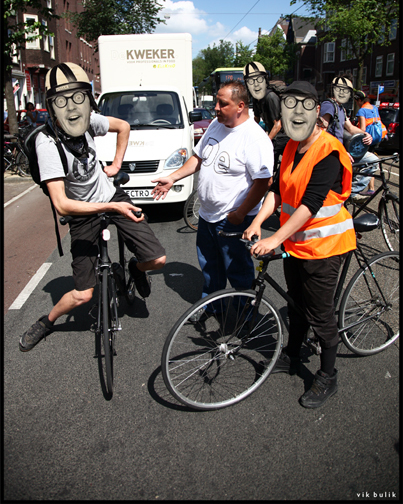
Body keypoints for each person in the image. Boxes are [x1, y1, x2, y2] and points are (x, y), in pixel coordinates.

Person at [19, 62, 166, 352]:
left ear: (87, 100)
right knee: (83, 295)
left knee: (158, 259)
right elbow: (62, 205)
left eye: (78, 98)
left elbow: (123, 127)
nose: (72, 108)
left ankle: (135, 268)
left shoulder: (88, 121)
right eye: (62, 101)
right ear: (52, 107)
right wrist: (113, 208)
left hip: (111, 195)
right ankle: (46, 322)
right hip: (81, 210)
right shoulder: (48, 145)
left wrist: (116, 164)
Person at [243, 81, 356, 409]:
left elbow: (311, 203)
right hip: (297, 243)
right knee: (295, 303)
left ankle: (328, 375)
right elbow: (277, 191)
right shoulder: (291, 146)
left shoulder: (329, 150)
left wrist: (274, 238)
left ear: (316, 111)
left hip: (325, 247)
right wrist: (257, 222)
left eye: (304, 105)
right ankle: (292, 353)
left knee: (321, 314)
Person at [151, 80, 274, 321]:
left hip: (233, 219)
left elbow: (264, 182)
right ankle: (212, 306)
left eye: (222, 103)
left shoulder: (255, 138)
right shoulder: (216, 125)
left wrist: (241, 214)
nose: (216, 108)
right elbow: (198, 158)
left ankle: (245, 317)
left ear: (240, 106)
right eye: (217, 102)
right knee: (210, 266)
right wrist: (172, 178)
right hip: (207, 216)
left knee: (238, 271)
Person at [319, 76, 378, 198]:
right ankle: (348, 195)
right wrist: (341, 152)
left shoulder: (341, 108)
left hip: (341, 151)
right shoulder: (329, 105)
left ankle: (352, 192)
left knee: (373, 160)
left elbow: (350, 128)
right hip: (331, 153)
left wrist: (365, 134)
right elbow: (321, 132)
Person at [243, 61, 289, 176]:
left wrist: (265, 141)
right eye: (251, 81)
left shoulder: (270, 97)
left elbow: (278, 125)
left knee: (267, 164)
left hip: (283, 136)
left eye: (259, 79)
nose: (256, 84)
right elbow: (256, 120)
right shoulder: (256, 98)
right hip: (274, 135)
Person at [353, 90, 386, 195]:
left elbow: (362, 129)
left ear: (359, 100)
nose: (357, 104)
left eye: (356, 102)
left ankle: (358, 189)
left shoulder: (362, 111)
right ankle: (371, 188)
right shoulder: (374, 108)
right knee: (372, 163)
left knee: (364, 163)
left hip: (366, 140)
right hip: (376, 138)